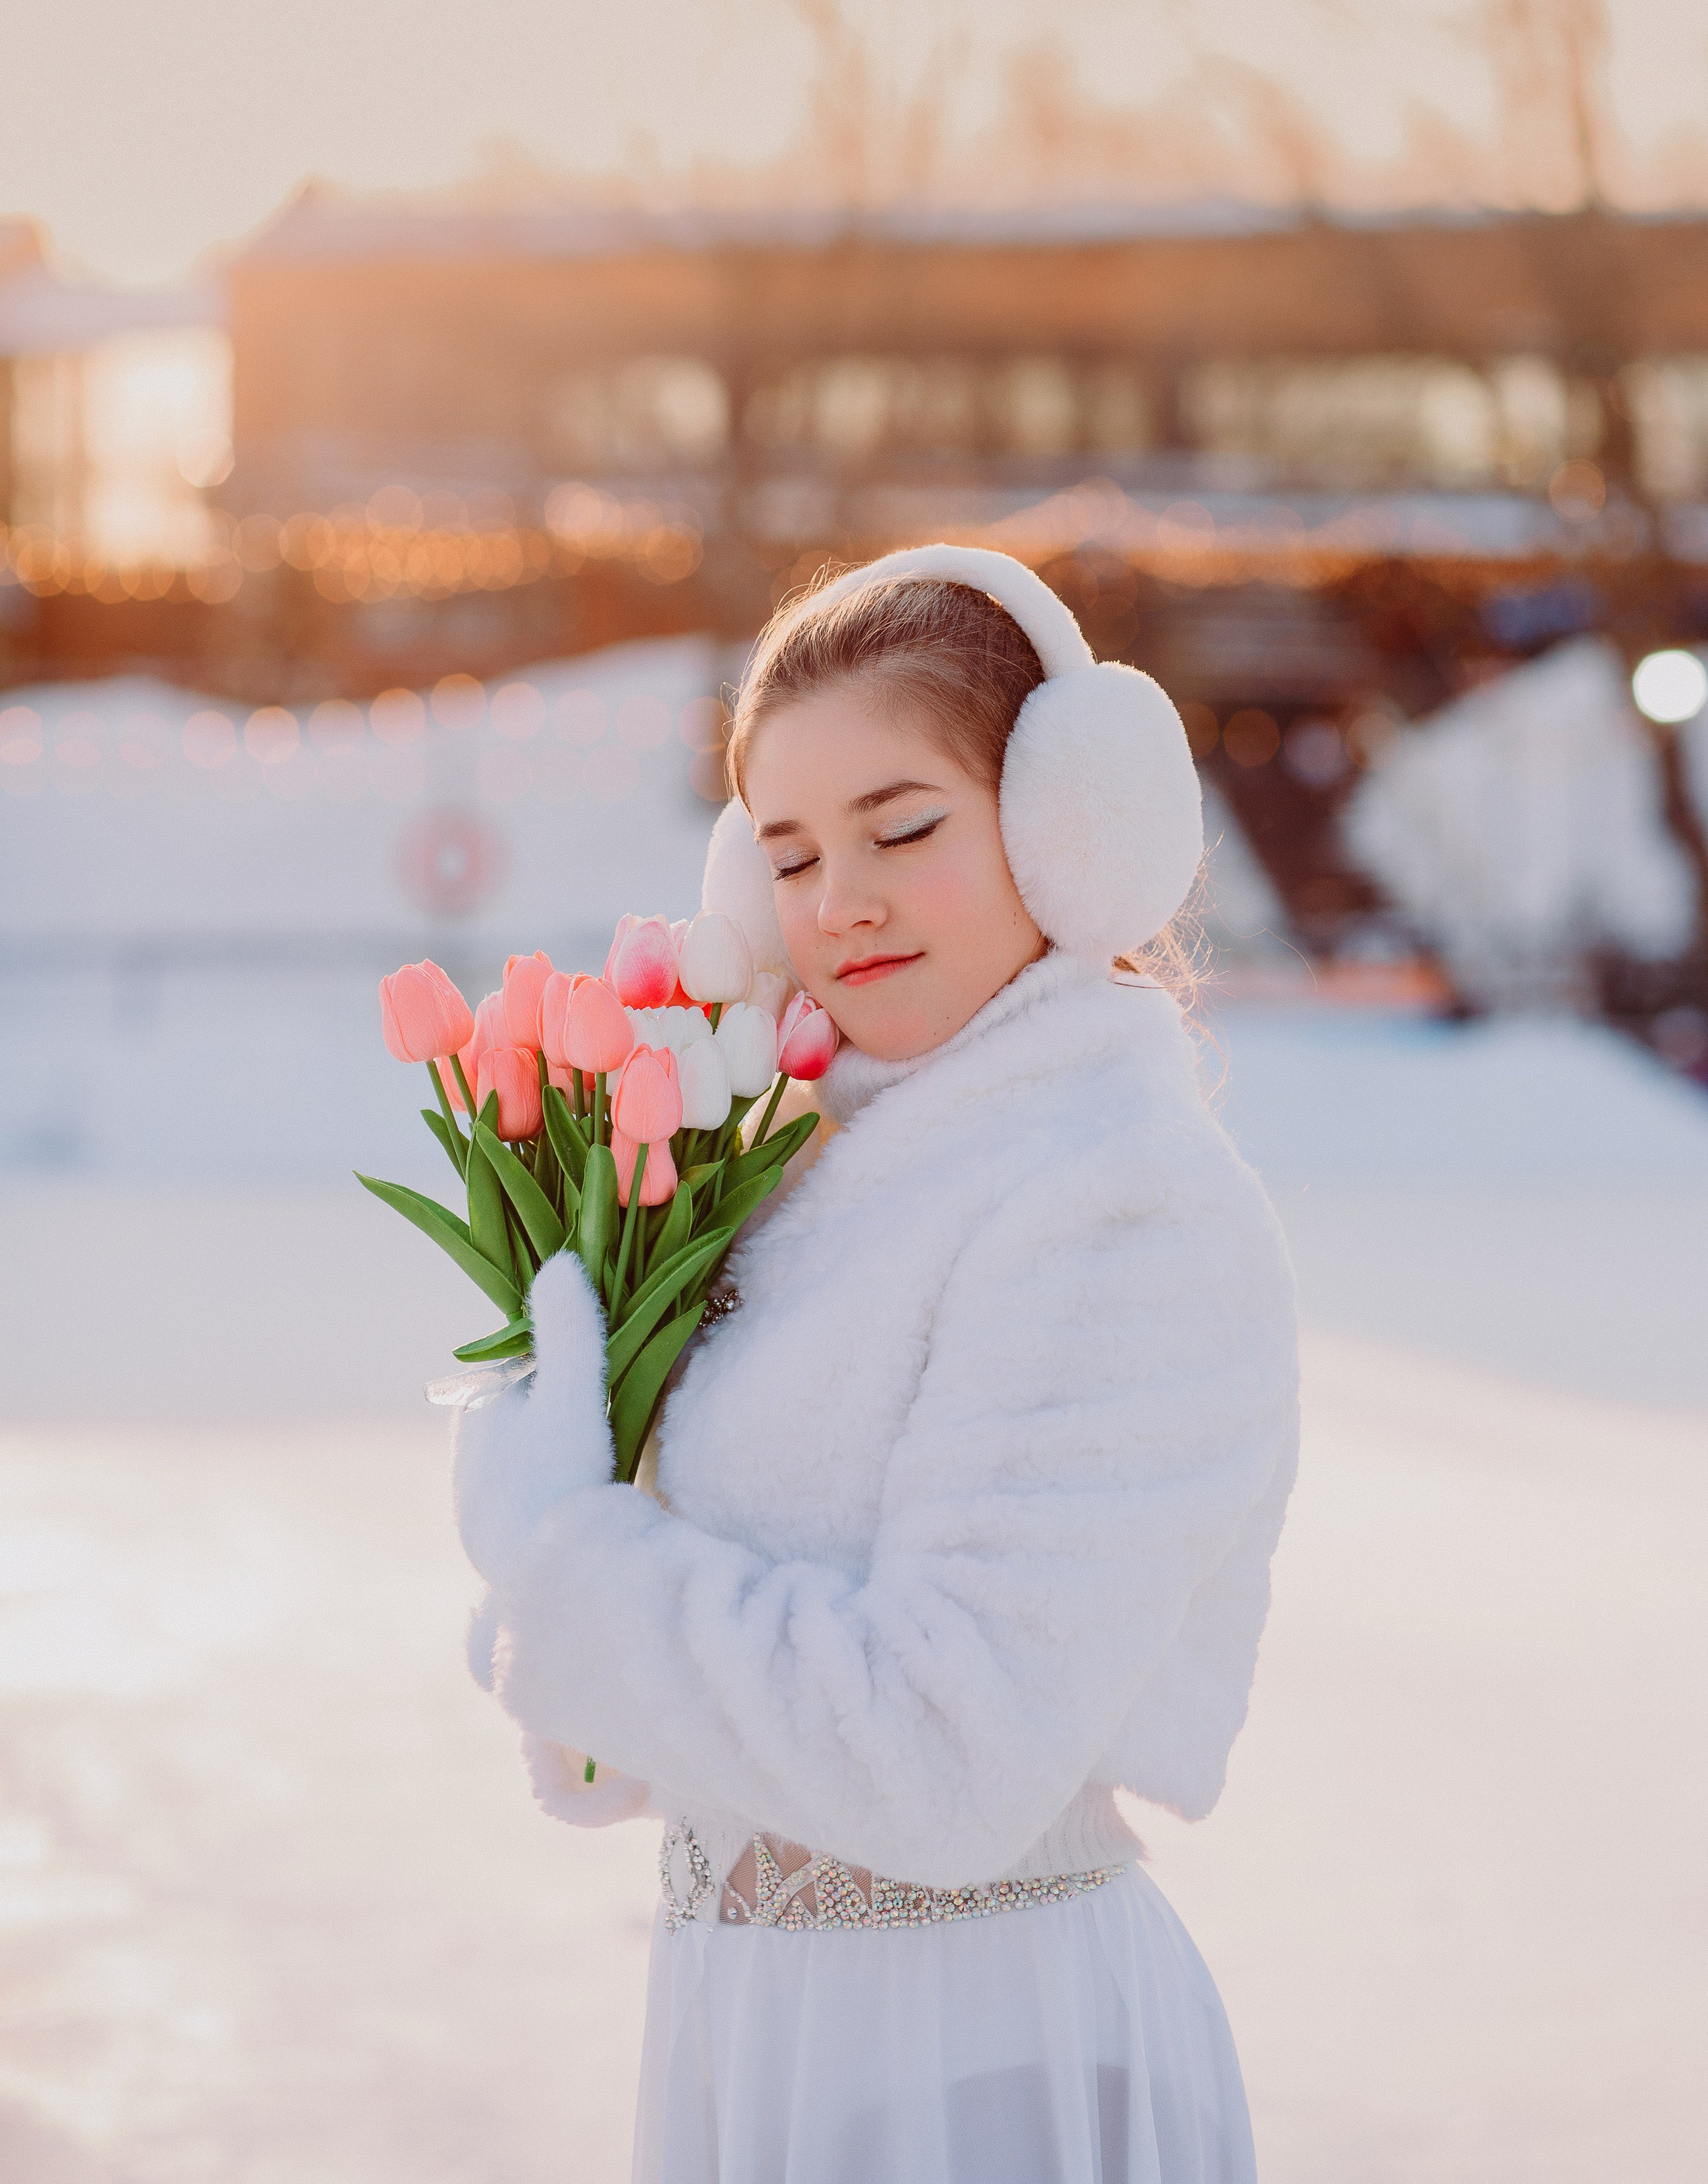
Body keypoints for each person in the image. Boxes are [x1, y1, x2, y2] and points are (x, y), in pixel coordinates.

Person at [453, 545, 1301, 2183]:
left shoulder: (1116, 1207)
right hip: (765, 2040)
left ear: (1067, 826)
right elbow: (721, 1672)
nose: (834, 900)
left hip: (977, 2054)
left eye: (899, 829)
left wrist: (575, 1565)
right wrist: (564, 1622)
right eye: (784, 852)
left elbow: (944, 1754)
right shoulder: (809, 1182)